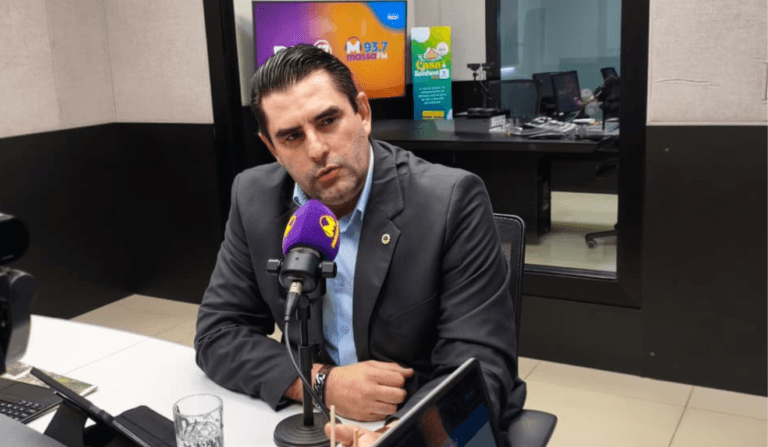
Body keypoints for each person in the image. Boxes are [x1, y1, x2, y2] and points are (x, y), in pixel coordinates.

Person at [194, 44, 526, 439]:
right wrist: (322, 383)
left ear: (363, 114)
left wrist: (397, 437)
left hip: (414, 419)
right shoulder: (253, 198)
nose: (317, 149)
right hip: (321, 421)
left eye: (328, 121)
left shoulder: (451, 200)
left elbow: (478, 366)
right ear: (272, 149)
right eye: (292, 137)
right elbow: (217, 333)